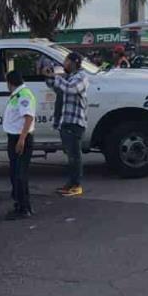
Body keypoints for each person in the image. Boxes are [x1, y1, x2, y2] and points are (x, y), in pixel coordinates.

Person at [52, 52, 89, 197]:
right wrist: (49, 77)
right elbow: (59, 87)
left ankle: (76, 185)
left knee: (75, 156)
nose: (64, 64)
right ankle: (70, 184)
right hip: (66, 122)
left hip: (75, 123)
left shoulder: (81, 77)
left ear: (74, 62)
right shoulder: (70, 77)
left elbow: (71, 89)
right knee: (70, 156)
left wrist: (56, 78)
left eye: (66, 61)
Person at [2, 69, 35, 220]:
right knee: (15, 173)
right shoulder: (17, 94)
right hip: (14, 138)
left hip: (20, 139)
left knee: (20, 175)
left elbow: (28, 117)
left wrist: (22, 139)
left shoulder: (23, 95)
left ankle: (24, 208)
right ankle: (20, 205)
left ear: (10, 83)